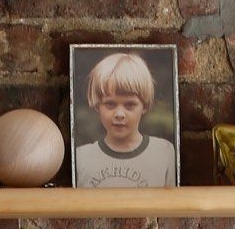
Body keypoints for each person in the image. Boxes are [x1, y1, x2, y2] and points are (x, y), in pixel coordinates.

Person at [73, 50, 177, 188]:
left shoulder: (164, 152)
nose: (119, 114)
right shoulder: (81, 157)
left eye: (130, 105)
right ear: (98, 106)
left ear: (144, 106)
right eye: (110, 104)